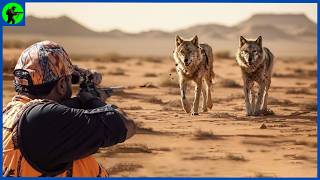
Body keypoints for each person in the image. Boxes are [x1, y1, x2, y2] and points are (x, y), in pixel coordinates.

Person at [3, 41, 136, 177]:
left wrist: (81, 100)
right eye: (68, 80)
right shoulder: (43, 119)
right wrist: (91, 99)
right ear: (61, 85)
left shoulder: (7, 113)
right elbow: (126, 125)